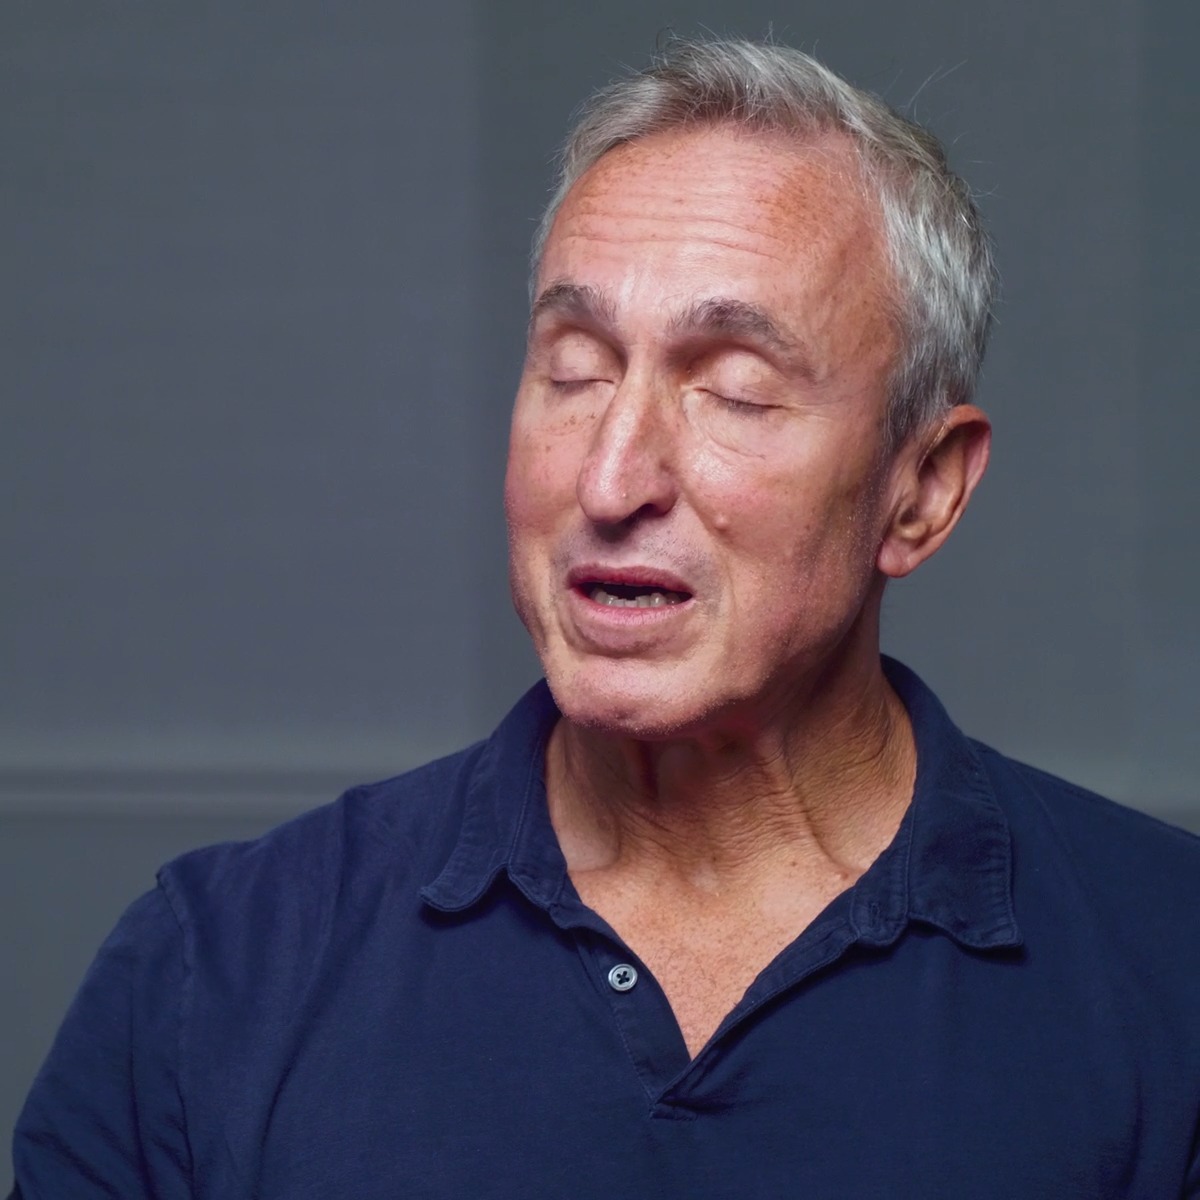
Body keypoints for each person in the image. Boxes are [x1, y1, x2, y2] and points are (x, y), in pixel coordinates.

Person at [10, 37, 1200, 1200]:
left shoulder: (1168, 972)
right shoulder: (214, 975)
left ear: (923, 489)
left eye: (734, 389)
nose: (610, 478)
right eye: (574, 371)